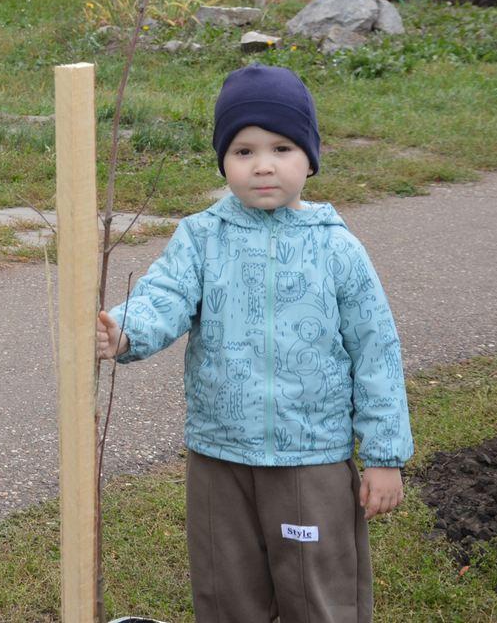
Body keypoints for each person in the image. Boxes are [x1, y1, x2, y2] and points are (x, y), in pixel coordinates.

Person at [97, 64, 412, 623]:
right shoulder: (201, 237)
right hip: (219, 455)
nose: (263, 165)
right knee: (226, 590)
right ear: (223, 160)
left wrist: (384, 458)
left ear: (310, 158)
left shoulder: (337, 249)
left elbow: (377, 352)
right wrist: (125, 329)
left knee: (319, 595)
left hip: (311, 458)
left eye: (282, 148)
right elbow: (164, 295)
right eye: (242, 151)